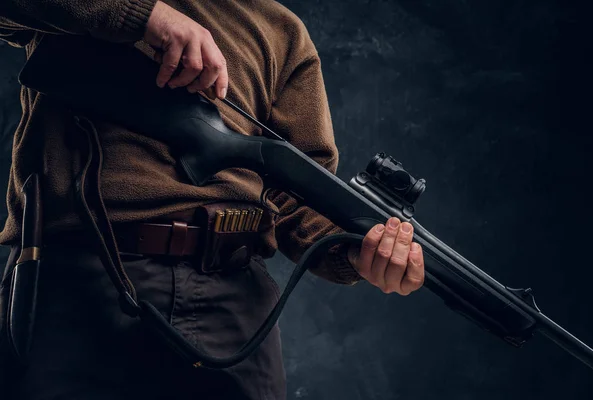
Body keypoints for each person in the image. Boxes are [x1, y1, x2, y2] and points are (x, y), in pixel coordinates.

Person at [0, 1, 425, 399]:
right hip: (80, 278)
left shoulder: (285, 32)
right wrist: (144, 15)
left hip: (235, 296)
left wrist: (360, 251)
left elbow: (299, 204)